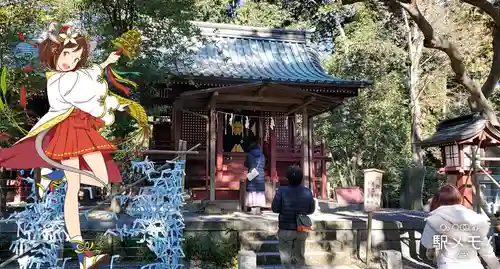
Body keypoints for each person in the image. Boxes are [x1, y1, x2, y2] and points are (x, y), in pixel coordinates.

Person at [0, 23, 138, 269]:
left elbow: (89, 76)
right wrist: (110, 102)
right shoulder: (56, 79)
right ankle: (83, 254)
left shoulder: (77, 74)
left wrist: (107, 62)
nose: (70, 61)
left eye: (75, 57)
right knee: (74, 189)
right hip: (67, 131)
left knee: (103, 180)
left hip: (82, 130)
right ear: (55, 53)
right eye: (66, 54)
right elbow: (83, 92)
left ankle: (56, 177)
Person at [420, 184, 499, 269]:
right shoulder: (474, 218)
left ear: (437, 200)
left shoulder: (434, 220)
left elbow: (427, 244)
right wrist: (495, 267)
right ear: (459, 198)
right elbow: (486, 250)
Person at [271, 166, 315, 269]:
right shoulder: (307, 192)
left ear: (287, 178)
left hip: (285, 228)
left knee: (285, 259)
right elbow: (310, 210)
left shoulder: (281, 191)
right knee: (300, 257)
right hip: (302, 227)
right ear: (301, 178)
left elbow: (275, 209)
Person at [244, 141, 266, 215]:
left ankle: (252, 208)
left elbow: (246, 164)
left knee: (252, 190)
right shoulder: (262, 155)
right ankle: (258, 208)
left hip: (252, 173)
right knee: (259, 191)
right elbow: (264, 165)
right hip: (260, 174)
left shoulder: (249, 155)